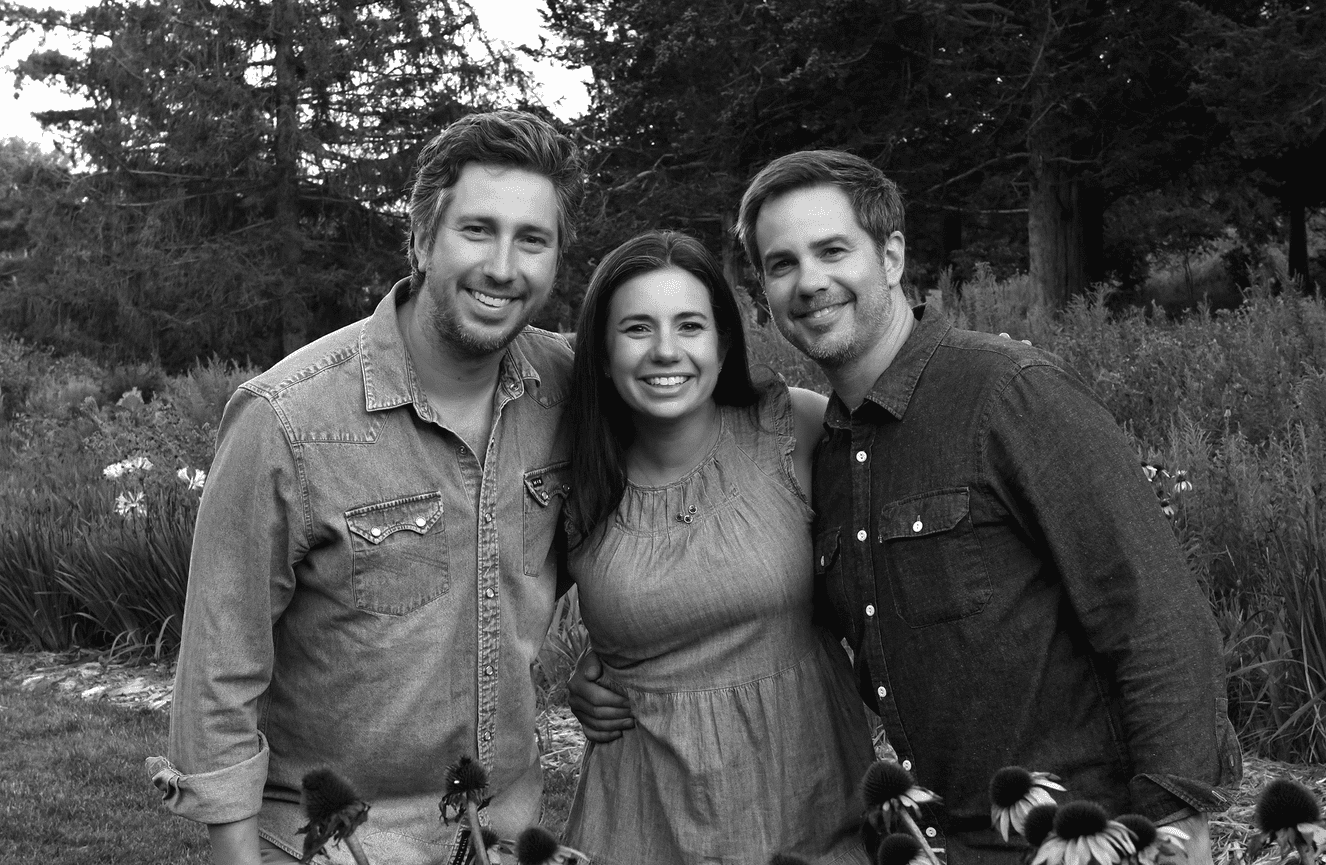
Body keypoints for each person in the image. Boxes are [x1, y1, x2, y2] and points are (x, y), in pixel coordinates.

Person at [573, 151, 1240, 865]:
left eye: (832, 250)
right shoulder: (824, 448)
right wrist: (620, 654)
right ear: (762, 290)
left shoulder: (1007, 393)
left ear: (890, 255)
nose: (810, 282)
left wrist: (1175, 824)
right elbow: (763, 606)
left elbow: (1152, 613)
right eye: (782, 263)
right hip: (944, 841)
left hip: (1084, 833)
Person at [148, 111, 584, 865]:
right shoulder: (286, 417)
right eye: (477, 230)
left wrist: (619, 660)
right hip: (333, 843)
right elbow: (221, 664)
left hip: (505, 836)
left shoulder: (570, 392)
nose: (504, 266)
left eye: (532, 239)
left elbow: (647, 519)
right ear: (420, 238)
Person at [560, 230, 875, 864]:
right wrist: (582, 679)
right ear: (599, 351)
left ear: (723, 341)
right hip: (643, 817)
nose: (666, 352)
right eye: (638, 329)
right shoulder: (573, 476)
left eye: (691, 325)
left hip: (810, 802)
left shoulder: (796, 430)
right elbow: (500, 615)